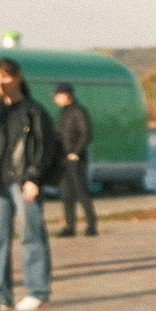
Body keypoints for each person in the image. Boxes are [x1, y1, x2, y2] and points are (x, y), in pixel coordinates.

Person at [0, 57, 60, 311]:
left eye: (5, 78)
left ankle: (38, 291)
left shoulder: (33, 110)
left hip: (23, 180)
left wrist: (34, 176)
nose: (0, 84)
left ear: (18, 78)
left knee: (31, 234)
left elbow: (45, 147)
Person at [52, 83, 95, 237]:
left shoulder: (78, 111)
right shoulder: (64, 113)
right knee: (66, 193)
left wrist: (76, 152)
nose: (55, 99)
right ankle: (70, 226)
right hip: (63, 158)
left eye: (57, 96)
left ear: (66, 95)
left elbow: (86, 134)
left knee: (81, 191)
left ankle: (91, 226)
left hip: (76, 159)